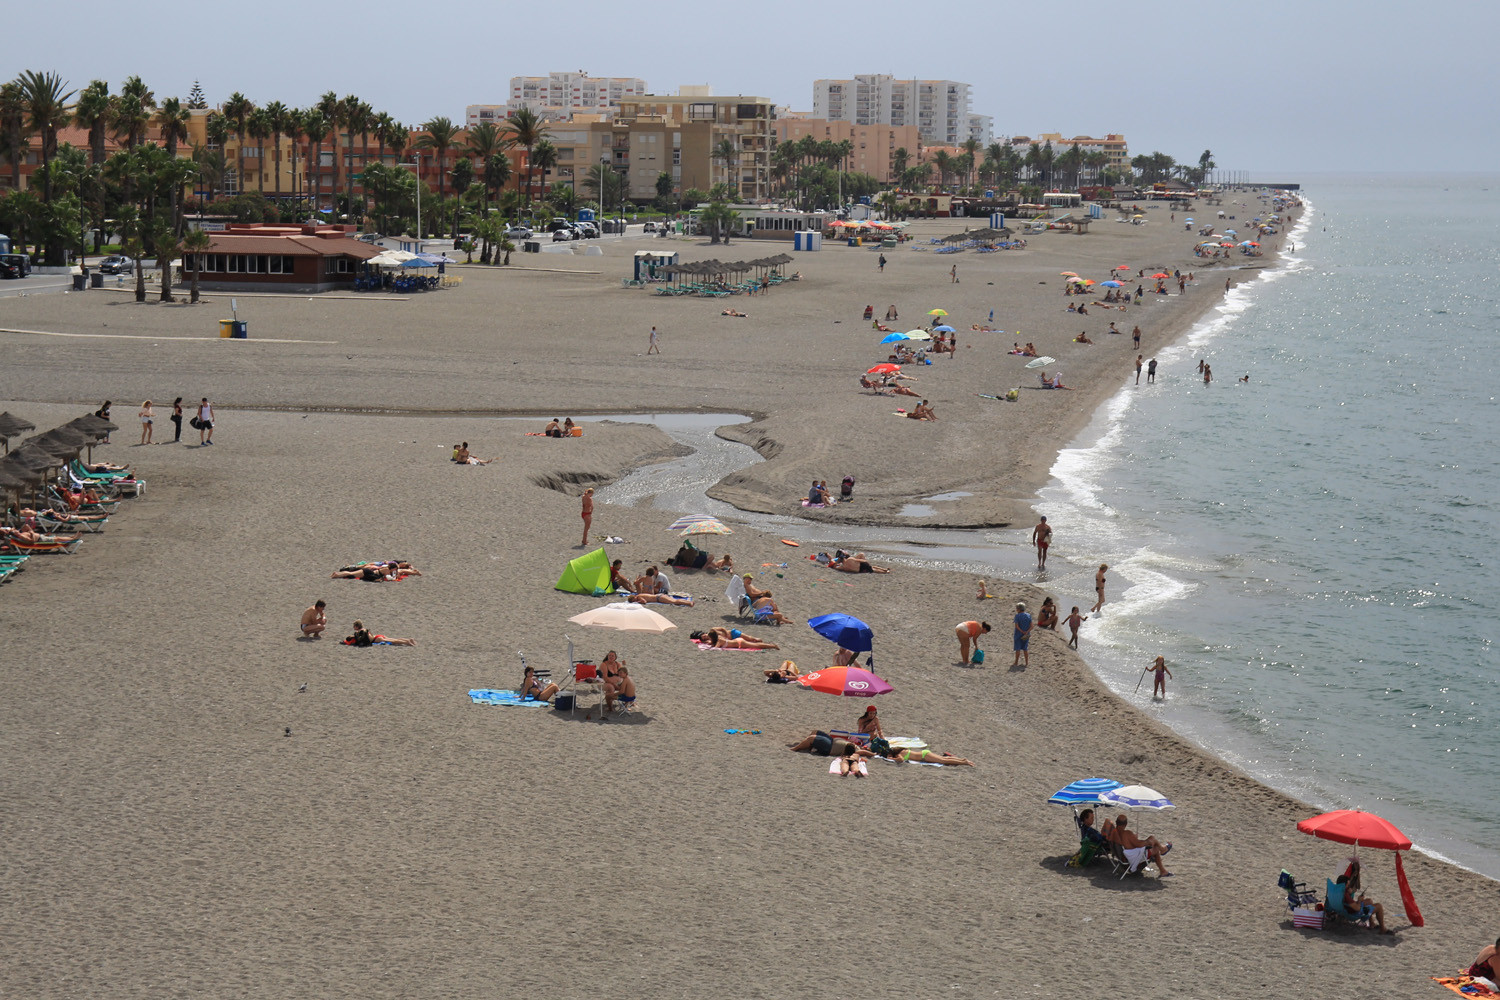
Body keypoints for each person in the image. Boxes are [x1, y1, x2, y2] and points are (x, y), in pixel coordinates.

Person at [789, 731, 875, 760]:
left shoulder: (856, 750)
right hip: (832, 740)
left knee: (811, 738)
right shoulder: (856, 745)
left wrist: (874, 754)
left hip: (830, 747)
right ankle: (810, 746)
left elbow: (864, 752)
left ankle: (796, 748)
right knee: (815, 732)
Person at [875, 744, 976, 767]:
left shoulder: (900, 754)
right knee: (945, 758)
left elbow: (900, 760)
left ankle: (964, 762)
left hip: (924, 756)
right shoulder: (902, 750)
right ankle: (962, 760)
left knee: (943, 761)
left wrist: (891, 758)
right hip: (924, 754)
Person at [344, 620, 417, 647]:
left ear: (357, 626)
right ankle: (408, 640)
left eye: (354, 626)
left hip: (377, 639)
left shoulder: (360, 631)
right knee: (393, 639)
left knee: (393, 641)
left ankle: (407, 643)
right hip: (378, 636)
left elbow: (360, 639)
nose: (354, 628)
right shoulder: (365, 629)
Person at [1012, 602, 1033, 667]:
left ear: (1018, 609)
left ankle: (1016, 662)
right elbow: (1032, 626)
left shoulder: (1017, 616)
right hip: (1026, 634)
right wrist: (1027, 632)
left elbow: (1017, 626)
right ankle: (1026, 662)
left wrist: (1022, 631)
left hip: (1018, 634)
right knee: (1025, 648)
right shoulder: (1028, 615)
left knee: (1018, 649)